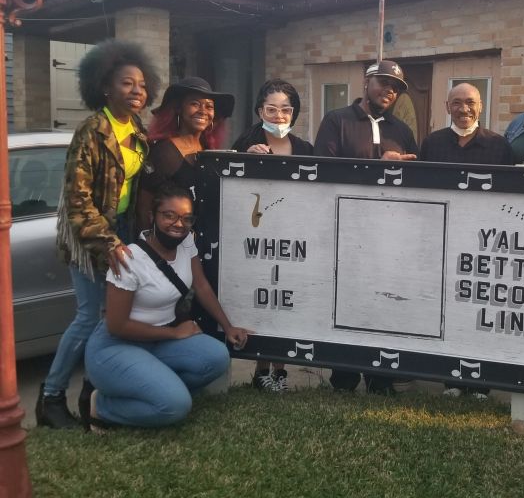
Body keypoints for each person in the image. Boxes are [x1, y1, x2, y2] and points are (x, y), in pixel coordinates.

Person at [35, 39, 161, 429]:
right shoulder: (93, 130)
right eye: (127, 83)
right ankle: (50, 400)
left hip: (121, 230)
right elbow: (77, 201)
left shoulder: (137, 130)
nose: (137, 90)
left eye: (141, 84)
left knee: (113, 319)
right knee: (89, 317)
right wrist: (109, 243)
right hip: (91, 235)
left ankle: (93, 396)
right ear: (105, 87)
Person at [80, 184, 248, 429]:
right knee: (175, 406)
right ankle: (101, 405)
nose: (178, 224)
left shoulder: (187, 240)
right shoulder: (129, 258)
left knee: (217, 357)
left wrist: (228, 326)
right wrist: (173, 333)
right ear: (152, 217)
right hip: (115, 347)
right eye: (169, 215)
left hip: (157, 343)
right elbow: (117, 326)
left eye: (186, 218)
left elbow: (200, 285)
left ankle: (158, 388)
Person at [314, 59, 418, 393]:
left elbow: (415, 182)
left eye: (396, 88)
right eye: (383, 83)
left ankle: (381, 377)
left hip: (389, 236)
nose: (389, 91)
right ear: (366, 82)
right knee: (346, 303)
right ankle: (344, 375)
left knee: (385, 302)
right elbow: (323, 173)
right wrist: (378, 165)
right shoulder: (336, 121)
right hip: (345, 231)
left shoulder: (402, 131)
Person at [420, 82, 512, 399]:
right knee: (449, 308)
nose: (464, 109)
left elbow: (509, 197)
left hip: (483, 243)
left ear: (481, 106)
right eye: (456, 103)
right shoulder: (432, 143)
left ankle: (479, 383)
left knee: (480, 308)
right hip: (444, 240)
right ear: (447, 107)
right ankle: (452, 380)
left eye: (470, 102)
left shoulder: (499, 146)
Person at [232, 79, 313, 392]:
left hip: (293, 235)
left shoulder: (305, 148)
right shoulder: (245, 144)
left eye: (286, 109)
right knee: (261, 299)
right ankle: (259, 366)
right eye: (272, 109)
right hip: (256, 237)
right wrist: (246, 160)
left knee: (285, 297)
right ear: (259, 111)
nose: (279, 115)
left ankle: (280, 368)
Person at [137, 77, 235, 222]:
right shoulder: (163, 153)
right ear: (179, 108)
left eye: (209, 107)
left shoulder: (209, 151)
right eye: (195, 104)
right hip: (169, 239)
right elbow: (144, 208)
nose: (203, 111)